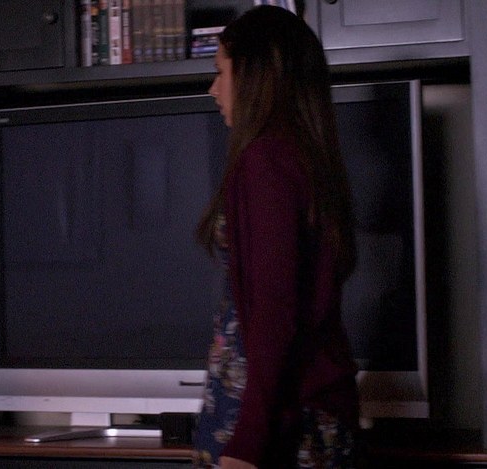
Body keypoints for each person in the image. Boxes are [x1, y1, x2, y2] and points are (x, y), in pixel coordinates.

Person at [192, 5, 360, 468]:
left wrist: (248, 442)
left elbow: (275, 310)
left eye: (220, 72)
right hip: (308, 412)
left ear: (254, 75)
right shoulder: (306, 156)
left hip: (272, 418)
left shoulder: (264, 160)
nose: (213, 89)